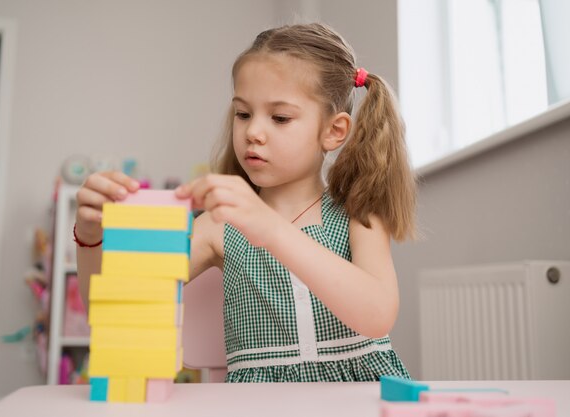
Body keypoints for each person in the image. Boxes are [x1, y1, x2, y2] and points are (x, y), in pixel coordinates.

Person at [75, 22, 417, 382]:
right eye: (243, 114)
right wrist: (90, 237)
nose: (253, 131)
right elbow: (112, 312)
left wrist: (269, 227)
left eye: (280, 118)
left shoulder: (359, 211)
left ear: (333, 131)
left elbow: (376, 314)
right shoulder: (217, 226)